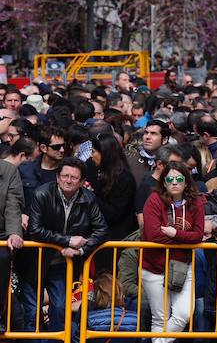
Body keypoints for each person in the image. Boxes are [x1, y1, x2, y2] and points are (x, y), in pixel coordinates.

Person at [18, 157, 108, 334]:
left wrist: (81, 249)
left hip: (62, 264)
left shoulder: (89, 199)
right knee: (32, 312)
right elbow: (35, 230)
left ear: (82, 181)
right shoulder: (42, 194)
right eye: (65, 175)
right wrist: (67, 240)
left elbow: (102, 230)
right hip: (34, 262)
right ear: (57, 177)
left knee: (59, 310)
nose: (68, 180)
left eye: (74, 177)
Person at [141, 161, 205, 343]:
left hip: (183, 267)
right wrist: (185, 238)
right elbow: (154, 236)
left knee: (184, 314)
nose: (175, 182)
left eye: (179, 179)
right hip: (154, 267)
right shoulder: (154, 200)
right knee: (160, 319)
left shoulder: (196, 203)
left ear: (186, 182)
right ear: (164, 182)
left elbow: (198, 236)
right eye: (170, 179)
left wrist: (175, 233)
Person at [86, 133, 137, 273]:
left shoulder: (123, 178)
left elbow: (114, 213)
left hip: (115, 241)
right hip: (99, 238)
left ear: (105, 153)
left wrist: (91, 195)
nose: (91, 156)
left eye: (94, 152)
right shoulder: (97, 171)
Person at [0, 138, 35, 330]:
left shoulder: (9, 171)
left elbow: (13, 206)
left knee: (3, 257)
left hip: (1, 234)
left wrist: (14, 233)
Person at [71, 273, 138, 343]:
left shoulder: (90, 318)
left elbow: (78, 339)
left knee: (72, 326)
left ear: (96, 295)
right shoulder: (135, 318)